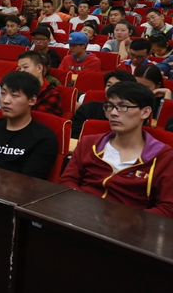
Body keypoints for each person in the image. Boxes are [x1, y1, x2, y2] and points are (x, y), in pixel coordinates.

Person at [60, 82, 173, 218]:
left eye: (123, 107)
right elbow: (67, 180)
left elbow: (167, 207)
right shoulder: (89, 143)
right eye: (110, 106)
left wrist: (131, 221)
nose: (113, 113)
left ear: (145, 112)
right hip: (80, 216)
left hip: (128, 226)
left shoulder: (162, 157)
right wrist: (82, 208)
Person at [0, 71, 58, 179]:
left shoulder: (44, 139)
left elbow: (27, 182)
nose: (5, 101)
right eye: (3, 93)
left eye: (14, 95)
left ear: (32, 100)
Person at [71, 70, 135, 138]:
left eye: (116, 86)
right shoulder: (88, 109)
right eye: (108, 85)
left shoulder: (133, 114)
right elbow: (74, 135)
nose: (111, 89)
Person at [17, 51, 63, 116]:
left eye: (25, 67)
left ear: (39, 68)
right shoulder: (17, 87)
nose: (21, 71)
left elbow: (38, 118)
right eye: (19, 68)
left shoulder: (51, 94)